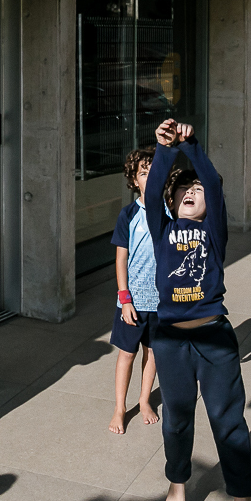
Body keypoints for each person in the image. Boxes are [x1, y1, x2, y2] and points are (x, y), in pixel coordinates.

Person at [145, 119, 251, 501]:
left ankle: (242, 500)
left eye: (197, 192)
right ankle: (178, 484)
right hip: (171, 339)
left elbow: (213, 181)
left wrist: (192, 146)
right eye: (182, 192)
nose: (191, 192)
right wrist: (165, 150)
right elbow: (153, 192)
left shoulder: (213, 232)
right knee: (176, 419)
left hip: (213, 336)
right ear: (172, 204)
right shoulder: (163, 231)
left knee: (228, 421)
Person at [108, 145, 160, 435]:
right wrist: (124, 298)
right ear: (133, 180)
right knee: (127, 353)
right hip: (133, 301)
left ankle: (144, 401)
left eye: (155, 171)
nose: (149, 176)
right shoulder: (128, 214)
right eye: (143, 172)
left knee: (152, 352)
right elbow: (121, 258)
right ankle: (119, 407)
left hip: (160, 302)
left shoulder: (170, 212)